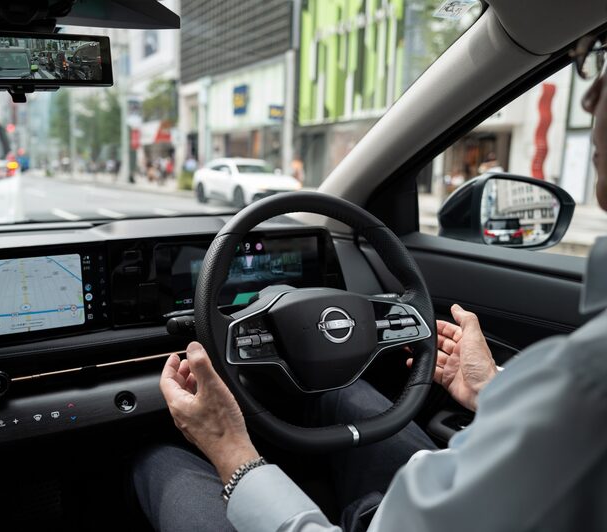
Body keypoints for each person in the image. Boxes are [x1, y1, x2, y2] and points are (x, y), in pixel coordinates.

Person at [133, 34, 607, 532]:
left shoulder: (585, 384)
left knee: (156, 460)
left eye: (602, 64)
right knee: (341, 395)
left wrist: (231, 449)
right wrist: (491, 391)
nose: (590, 96)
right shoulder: (580, 388)